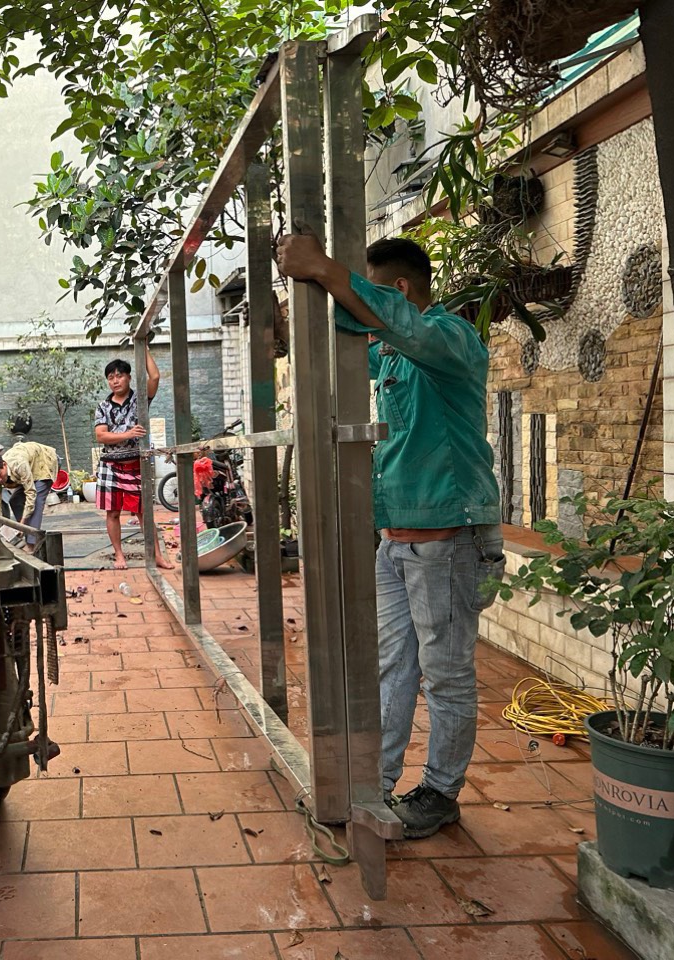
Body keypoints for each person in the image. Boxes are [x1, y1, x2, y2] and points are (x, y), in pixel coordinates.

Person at [275, 232, 505, 839]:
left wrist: (326, 268)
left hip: (449, 537)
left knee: (446, 673)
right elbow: (351, 337)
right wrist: (304, 296)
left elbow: (396, 324)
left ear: (399, 288)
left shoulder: (451, 339)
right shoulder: (396, 354)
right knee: (392, 667)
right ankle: (374, 784)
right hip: (398, 539)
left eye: (379, 290)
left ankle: (440, 792)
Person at [93, 350, 174, 571]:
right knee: (113, 512)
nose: (115, 380)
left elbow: (155, 377)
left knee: (144, 512)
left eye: (119, 375)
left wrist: (143, 347)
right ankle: (119, 555)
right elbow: (101, 436)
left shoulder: (139, 400)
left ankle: (157, 555)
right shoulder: (103, 406)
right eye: (110, 377)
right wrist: (127, 434)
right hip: (110, 465)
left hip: (137, 464)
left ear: (129, 377)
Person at [0, 440, 60, 553]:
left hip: (44, 463)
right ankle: (27, 533)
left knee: (36, 501)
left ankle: (32, 545)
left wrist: (22, 523)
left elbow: (30, 494)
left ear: (4, 465)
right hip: (29, 467)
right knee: (15, 500)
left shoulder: (19, 464)